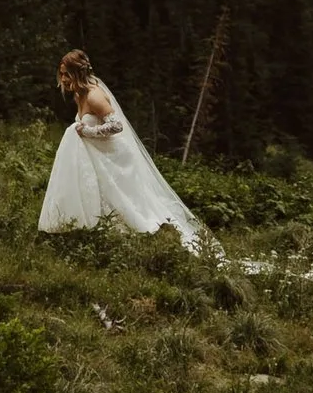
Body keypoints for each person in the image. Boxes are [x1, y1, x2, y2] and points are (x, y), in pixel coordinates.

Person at [37, 49, 210, 252]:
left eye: (67, 74)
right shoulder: (79, 94)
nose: (64, 79)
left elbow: (117, 125)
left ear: (78, 73)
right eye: (62, 74)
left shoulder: (94, 96)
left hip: (112, 155)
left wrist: (88, 132)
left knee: (125, 205)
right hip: (97, 153)